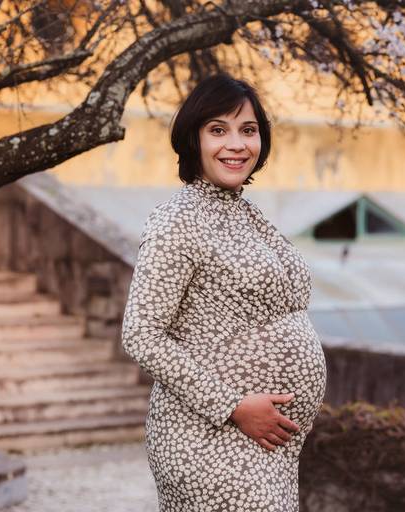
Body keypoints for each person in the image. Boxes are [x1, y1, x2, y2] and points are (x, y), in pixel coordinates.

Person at [121, 72, 328, 511]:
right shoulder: (177, 219)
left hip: (266, 447)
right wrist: (233, 405)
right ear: (193, 139)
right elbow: (141, 334)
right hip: (209, 439)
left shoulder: (247, 214)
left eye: (248, 130)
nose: (236, 144)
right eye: (218, 130)